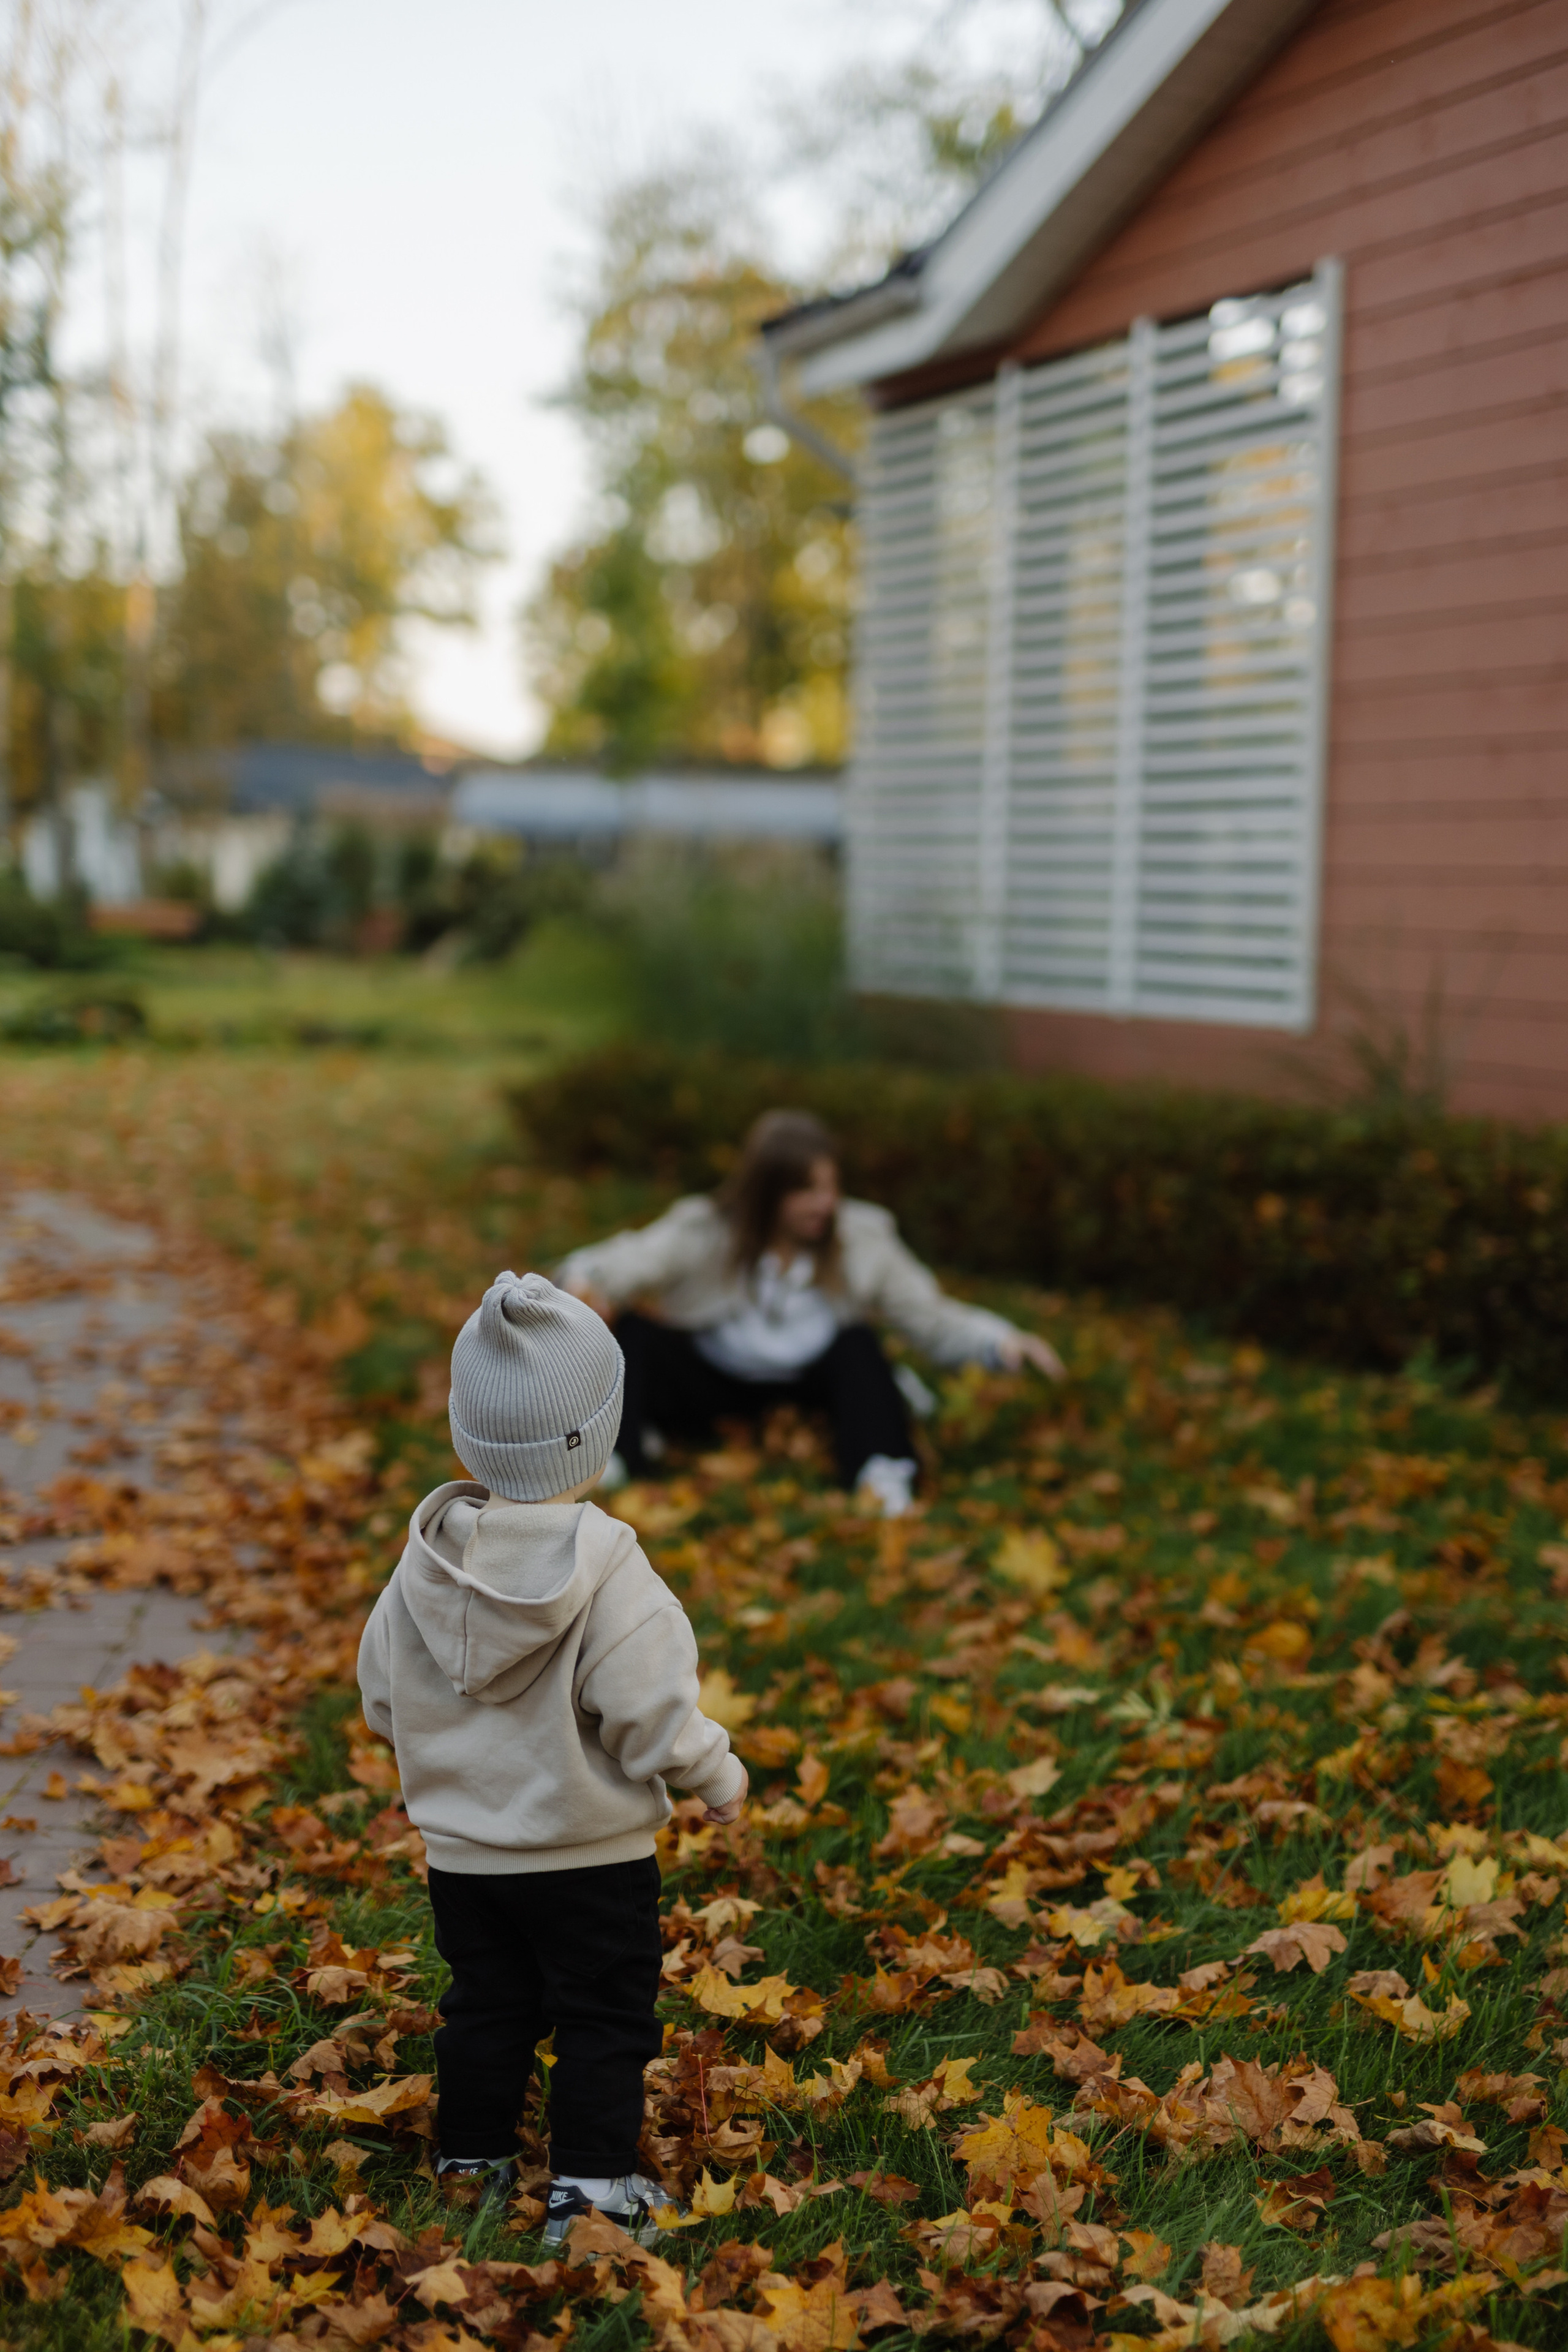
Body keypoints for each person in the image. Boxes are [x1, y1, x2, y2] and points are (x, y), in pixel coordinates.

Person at [356, 1269, 748, 2243]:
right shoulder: (608, 1569)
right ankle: (592, 2188)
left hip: (466, 1859)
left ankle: (471, 2153)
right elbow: (648, 1714)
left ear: (467, 1432)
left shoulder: (426, 1560)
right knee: (603, 2017)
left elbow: (379, 1693)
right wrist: (717, 1773)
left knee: (486, 2002)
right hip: (590, 1859)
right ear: (597, 1434)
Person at [559, 1109, 1063, 1518]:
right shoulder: (707, 1229)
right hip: (714, 1376)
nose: (826, 1204)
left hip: (808, 1383)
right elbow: (623, 1261)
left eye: (831, 1188)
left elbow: (929, 1315)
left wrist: (999, 1342)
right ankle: (619, 1458)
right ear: (768, 1194)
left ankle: (880, 1474)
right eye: (807, 1191)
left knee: (860, 1345)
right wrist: (584, 1286)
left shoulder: (862, 1238)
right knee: (635, 1333)